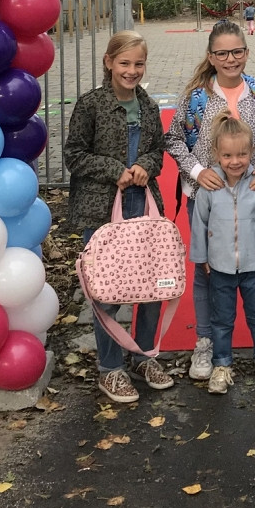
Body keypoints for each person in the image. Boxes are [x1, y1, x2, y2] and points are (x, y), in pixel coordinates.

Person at [165, 19, 255, 380]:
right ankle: (206, 344)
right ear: (211, 56)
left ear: (246, 53)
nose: (230, 59)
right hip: (206, 196)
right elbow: (173, 140)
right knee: (207, 271)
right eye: (222, 53)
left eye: (237, 51)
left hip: (250, 197)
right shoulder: (196, 97)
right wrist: (199, 172)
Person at [65, 30, 174, 404]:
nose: (132, 71)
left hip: (142, 207)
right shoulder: (90, 105)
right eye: (124, 63)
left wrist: (145, 164)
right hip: (102, 210)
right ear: (109, 62)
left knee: (150, 286)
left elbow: (158, 150)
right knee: (107, 291)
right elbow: (74, 155)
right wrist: (115, 169)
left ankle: (143, 355)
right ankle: (111, 369)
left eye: (138, 64)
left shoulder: (147, 107)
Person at [189, 112, 255, 394]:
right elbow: (200, 225)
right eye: (228, 155)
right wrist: (202, 258)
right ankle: (221, 364)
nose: (235, 161)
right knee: (221, 319)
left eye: (242, 154)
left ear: (251, 153)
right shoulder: (209, 187)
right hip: (219, 267)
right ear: (217, 154)